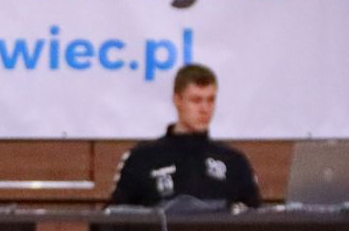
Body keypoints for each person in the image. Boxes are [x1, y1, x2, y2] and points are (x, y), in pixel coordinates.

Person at [110, 64, 261, 209]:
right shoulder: (142, 158)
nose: (205, 109)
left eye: (210, 100)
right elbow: (115, 218)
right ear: (177, 100)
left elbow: (257, 219)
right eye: (196, 100)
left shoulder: (234, 161)